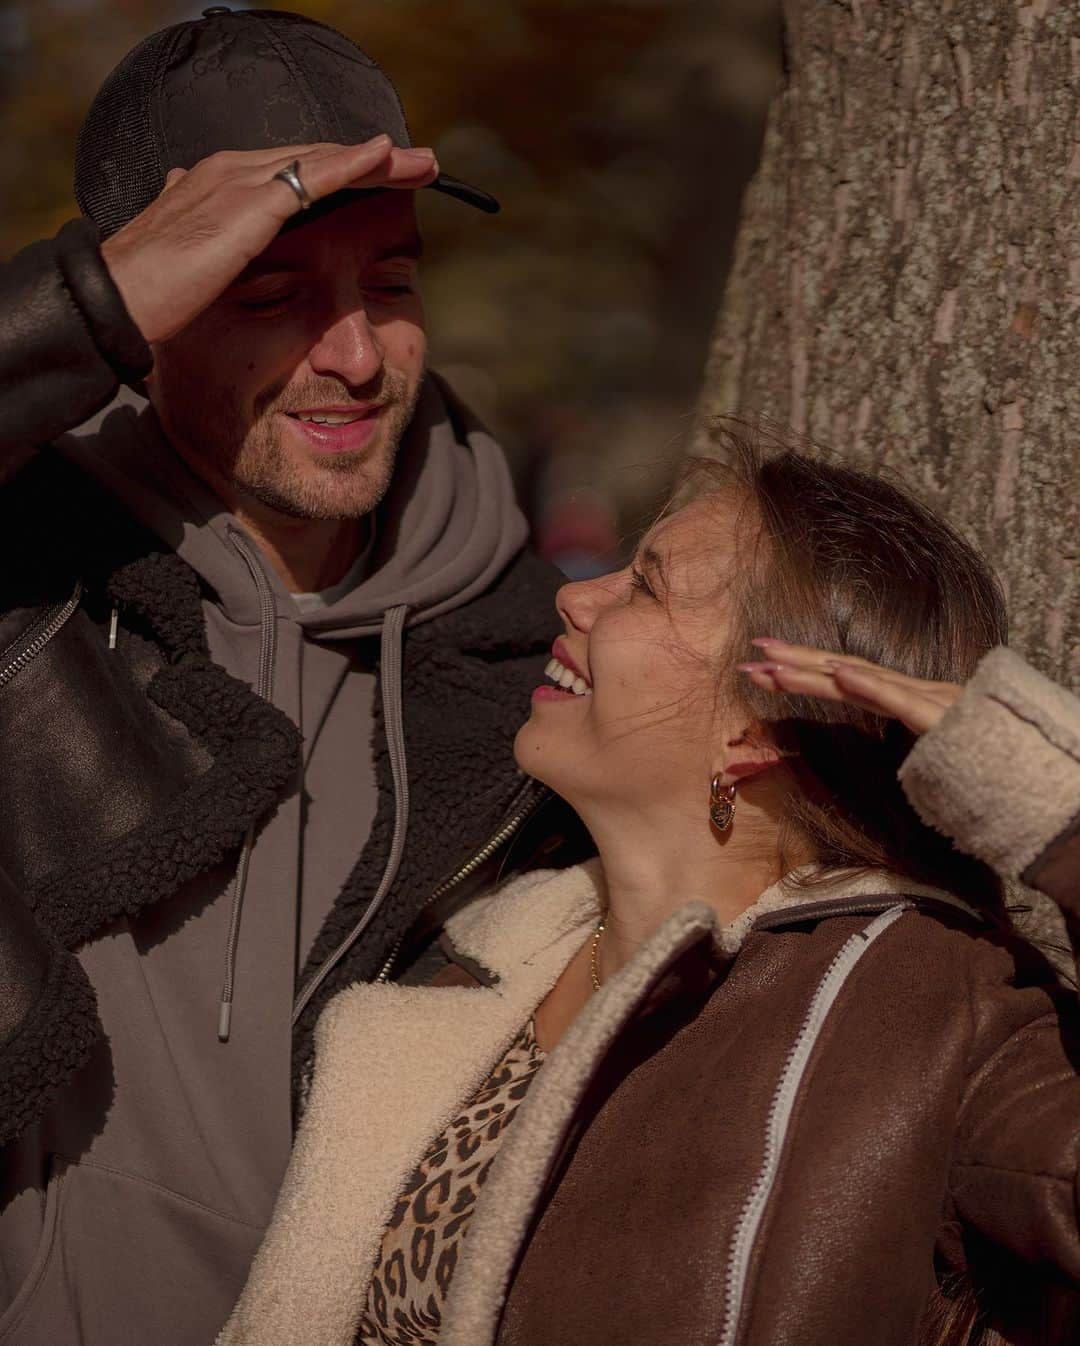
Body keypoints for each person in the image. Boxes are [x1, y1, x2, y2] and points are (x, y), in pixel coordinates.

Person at [217, 430, 1080, 1346]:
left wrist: (1049, 804)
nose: (574, 594)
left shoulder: (934, 1007)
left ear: (754, 733)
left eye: (645, 586)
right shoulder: (490, 951)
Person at [0, 9, 587, 1344]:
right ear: (142, 309)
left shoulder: (537, 677)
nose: (358, 356)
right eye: (266, 298)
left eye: (389, 282)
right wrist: (81, 304)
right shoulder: (27, 575)